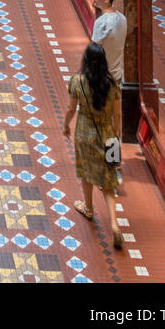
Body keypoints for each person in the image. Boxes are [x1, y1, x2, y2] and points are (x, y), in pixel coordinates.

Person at [63, 42, 123, 249]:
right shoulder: (113, 84)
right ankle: (114, 223)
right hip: (110, 136)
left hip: (85, 134)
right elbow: (117, 115)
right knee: (109, 181)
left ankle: (88, 208)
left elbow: (71, 109)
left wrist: (65, 126)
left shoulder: (78, 82)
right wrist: (117, 135)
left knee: (87, 173)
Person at [91, 0, 128, 84]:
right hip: (116, 76)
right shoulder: (123, 19)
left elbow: (94, 53)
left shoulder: (101, 22)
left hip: (100, 78)